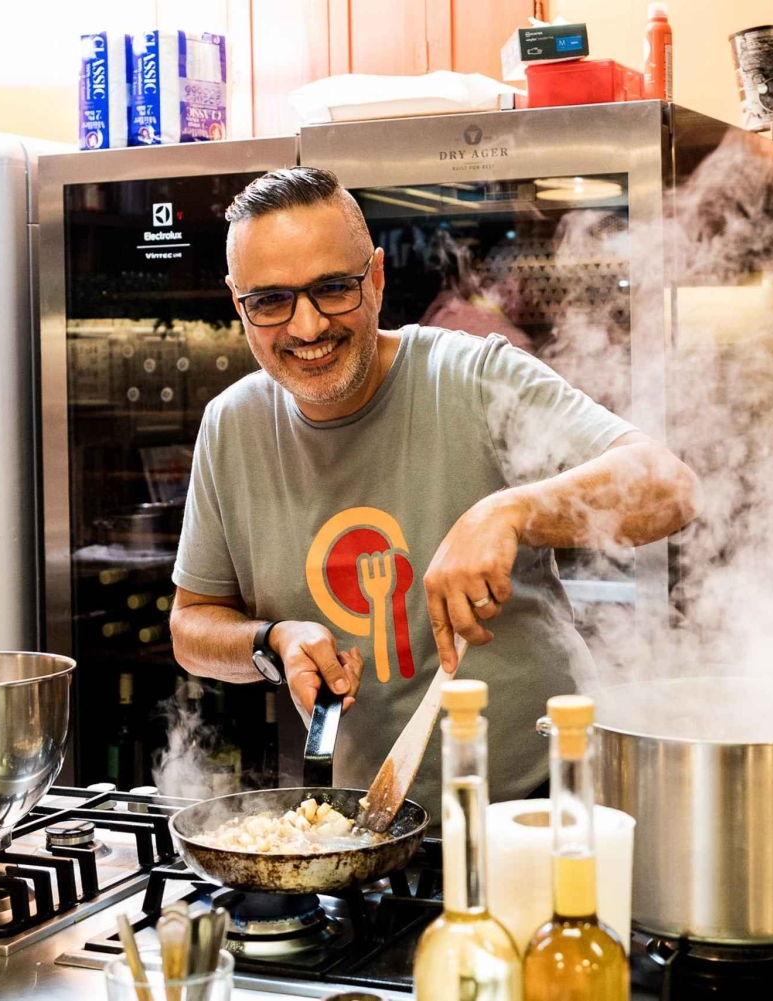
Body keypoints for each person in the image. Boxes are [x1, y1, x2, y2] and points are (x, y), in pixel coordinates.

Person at [169, 166, 699, 808]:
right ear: (238, 303)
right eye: (271, 302)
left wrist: (513, 512)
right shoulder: (233, 426)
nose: (307, 328)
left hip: (545, 800)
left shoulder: (471, 374)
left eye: (334, 289)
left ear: (378, 276)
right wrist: (272, 641)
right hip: (370, 818)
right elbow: (192, 625)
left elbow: (667, 486)